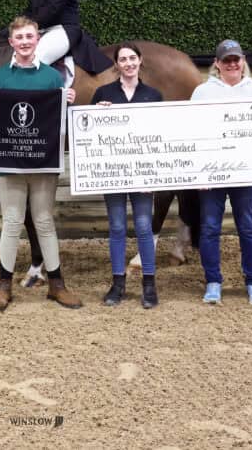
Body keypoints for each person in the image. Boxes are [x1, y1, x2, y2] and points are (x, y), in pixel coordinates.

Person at [0, 16, 81, 312]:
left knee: (44, 220)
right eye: (19, 37)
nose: (25, 42)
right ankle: (3, 285)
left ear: (37, 40)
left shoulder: (51, 78)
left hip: (42, 162)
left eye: (29, 37)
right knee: (12, 221)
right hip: (9, 163)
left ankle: (57, 284)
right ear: (11, 42)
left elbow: (56, 122)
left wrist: (67, 102)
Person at [191, 40, 252, 307]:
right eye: (226, 60)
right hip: (212, 173)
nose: (232, 64)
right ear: (217, 64)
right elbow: (192, 133)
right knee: (209, 229)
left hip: (245, 172)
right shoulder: (202, 92)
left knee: (248, 228)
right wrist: (198, 173)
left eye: (236, 59)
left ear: (243, 61)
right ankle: (213, 282)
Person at [92, 43, 163, 308]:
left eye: (133, 58)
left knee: (144, 227)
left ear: (140, 61)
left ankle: (149, 284)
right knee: (118, 227)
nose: (129, 63)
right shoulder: (103, 93)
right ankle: (118, 283)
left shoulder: (153, 95)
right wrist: (98, 114)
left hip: (143, 173)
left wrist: (154, 174)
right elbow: (90, 134)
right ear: (117, 65)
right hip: (114, 173)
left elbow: (161, 136)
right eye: (123, 59)